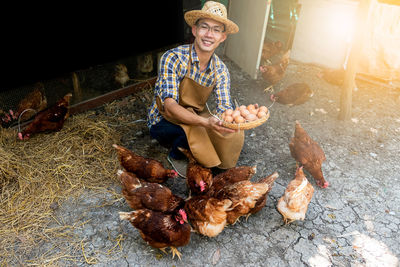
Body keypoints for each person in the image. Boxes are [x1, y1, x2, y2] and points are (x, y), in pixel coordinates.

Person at [147, 1, 244, 176]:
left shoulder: (220, 70)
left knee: (233, 134)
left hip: (192, 115)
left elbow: (224, 108)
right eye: (204, 27)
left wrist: (230, 121)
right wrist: (206, 123)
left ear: (223, 37)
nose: (209, 35)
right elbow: (169, 106)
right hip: (164, 120)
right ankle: (176, 155)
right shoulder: (173, 57)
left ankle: (209, 158)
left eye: (216, 30)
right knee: (199, 130)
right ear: (194, 30)